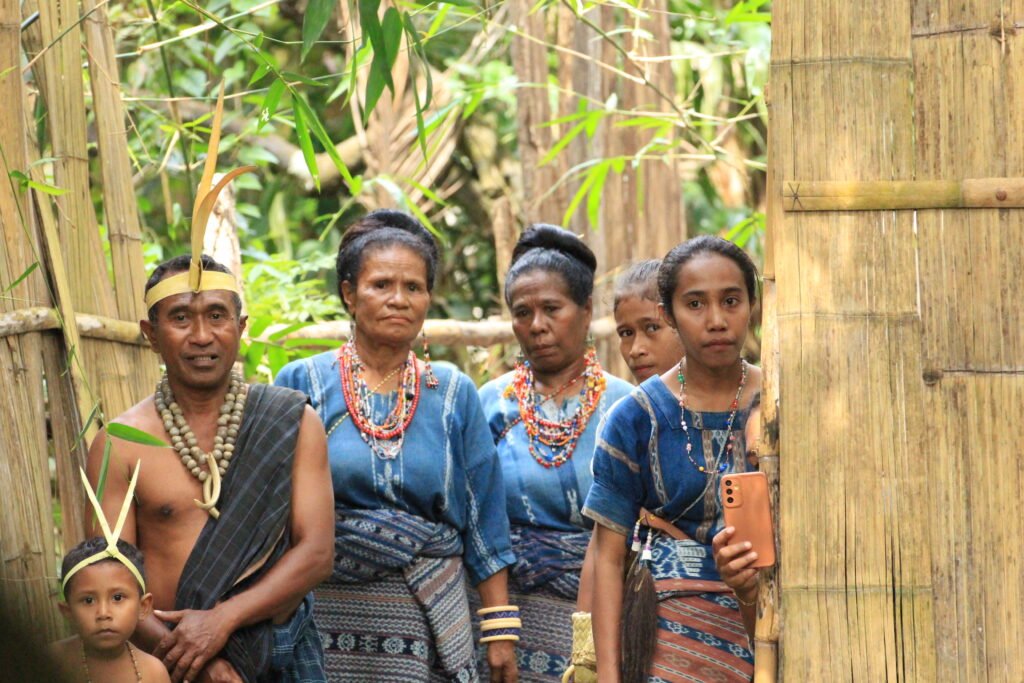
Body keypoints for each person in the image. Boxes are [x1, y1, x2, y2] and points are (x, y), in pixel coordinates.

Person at [274, 209, 518, 683]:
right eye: (381, 285)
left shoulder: (451, 391)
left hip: (430, 619)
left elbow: (485, 516)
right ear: (349, 294)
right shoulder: (301, 382)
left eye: (414, 287)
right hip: (323, 620)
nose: (399, 300)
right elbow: (274, 517)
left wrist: (499, 631)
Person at [87, 253, 335, 683]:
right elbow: (109, 580)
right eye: (180, 317)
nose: (201, 336)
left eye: (217, 315)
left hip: (278, 653)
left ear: (240, 328)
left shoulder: (292, 423)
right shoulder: (121, 442)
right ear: (151, 334)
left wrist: (222, 621)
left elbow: (316, 553)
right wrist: (194, 661)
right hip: (165, 659)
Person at [584, 235, 764, 682]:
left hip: (776, 631)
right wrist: (608, 675)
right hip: (664, 640)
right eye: (696, 304)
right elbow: (608, 557)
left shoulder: (786, 402)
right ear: (669, 313)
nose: (717, 320)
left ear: (753, 306)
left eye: (731, 301)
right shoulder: (634, 419)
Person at [477, 225, 633, 681]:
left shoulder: (628, 407)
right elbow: (476, 519)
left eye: (552, 309)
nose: (537, 325)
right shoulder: (490, 404)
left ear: (585, 311)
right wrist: (497, 622)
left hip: (603, 610)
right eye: (522, 312)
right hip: (506, 618)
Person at [565, 259, 687, 682]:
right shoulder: (628, 419)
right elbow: (603, 547)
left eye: (651, 329)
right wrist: (586, 655)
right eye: (625, 333)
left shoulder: (746, 411)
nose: (636, 348)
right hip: (641, 608)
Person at [53, 537, 170, 683]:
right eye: (88, 600)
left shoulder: (153, 673)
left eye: (118, 598)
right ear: (68, 611)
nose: (103, 613)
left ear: (143, 607)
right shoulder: (49, 664)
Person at [612, 259, 686, 385]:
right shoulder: (628, 404)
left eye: (652, 328)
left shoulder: (726, 398)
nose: (635, 351)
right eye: (626, 333)